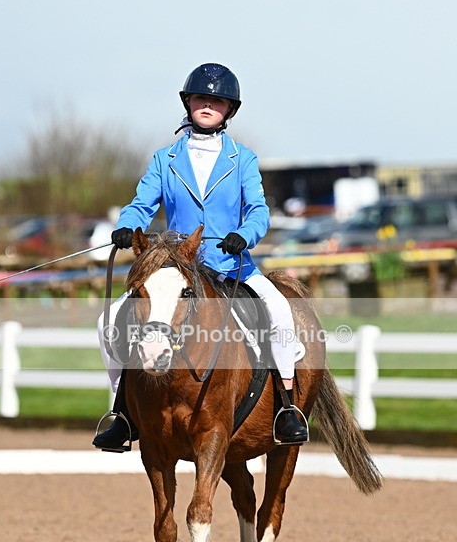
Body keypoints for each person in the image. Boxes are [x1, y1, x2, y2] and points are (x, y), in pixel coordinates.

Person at [93, 63, 308, 451]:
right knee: (109, 320)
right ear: (188, 102)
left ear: (229, 110)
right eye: (201, 98)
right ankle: (120, 412)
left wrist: (243, 235)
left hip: (230, 264)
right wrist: (128, 226)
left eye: (217, 100)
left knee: (279, 313)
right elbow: (141, 204)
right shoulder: (164, 159)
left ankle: (287, 409)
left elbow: (258, 210)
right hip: (177, 268)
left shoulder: (243, 159)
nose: (208, 105)